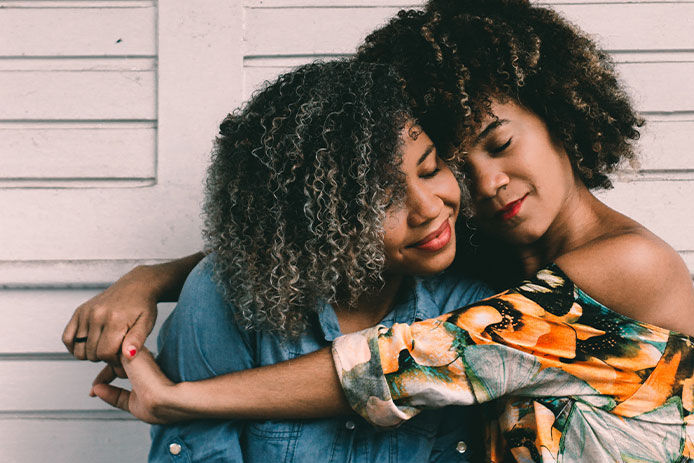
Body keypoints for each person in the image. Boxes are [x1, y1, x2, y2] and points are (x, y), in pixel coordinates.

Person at [68, 0, 694, 461]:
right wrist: (150, 278)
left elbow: (412, 364)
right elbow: (317, 235)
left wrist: (181, 400)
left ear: (559, 112)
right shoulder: (508, 257)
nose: (487, 184)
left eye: (501, 144)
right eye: (455, 164)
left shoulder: (628, 264)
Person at [78, 58, 495, 462]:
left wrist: (150, 283)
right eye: (381, 200)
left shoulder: (473, 306)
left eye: (429, 169)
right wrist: (147, 279)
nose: (428, 209)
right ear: (315, 218)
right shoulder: (227, 299)